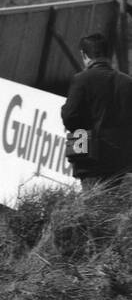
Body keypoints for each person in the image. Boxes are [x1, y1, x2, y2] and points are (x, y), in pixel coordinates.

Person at [60, 33, 132, 190]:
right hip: (120, 157)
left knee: (91, 204)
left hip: (89, 158)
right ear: (108, 55)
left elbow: (69, 116)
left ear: (84, 55)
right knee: (111, 202)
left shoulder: (81, 79)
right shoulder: (127, 82)